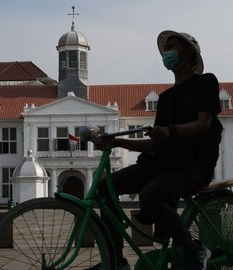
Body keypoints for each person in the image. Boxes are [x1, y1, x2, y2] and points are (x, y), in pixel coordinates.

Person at [89, 30, 223, 270]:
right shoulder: (166, 97)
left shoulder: (205, 82)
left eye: (172, 47)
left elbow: (203, 125)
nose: (166, 53)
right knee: (103, 187)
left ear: (188, 52)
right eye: (165, 49)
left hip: (193, 166)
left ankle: (195, 250)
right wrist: (117, 142)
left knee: (151, 195)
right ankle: (115, 260)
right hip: (165, 164)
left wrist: (171, 130)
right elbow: (156, 142)